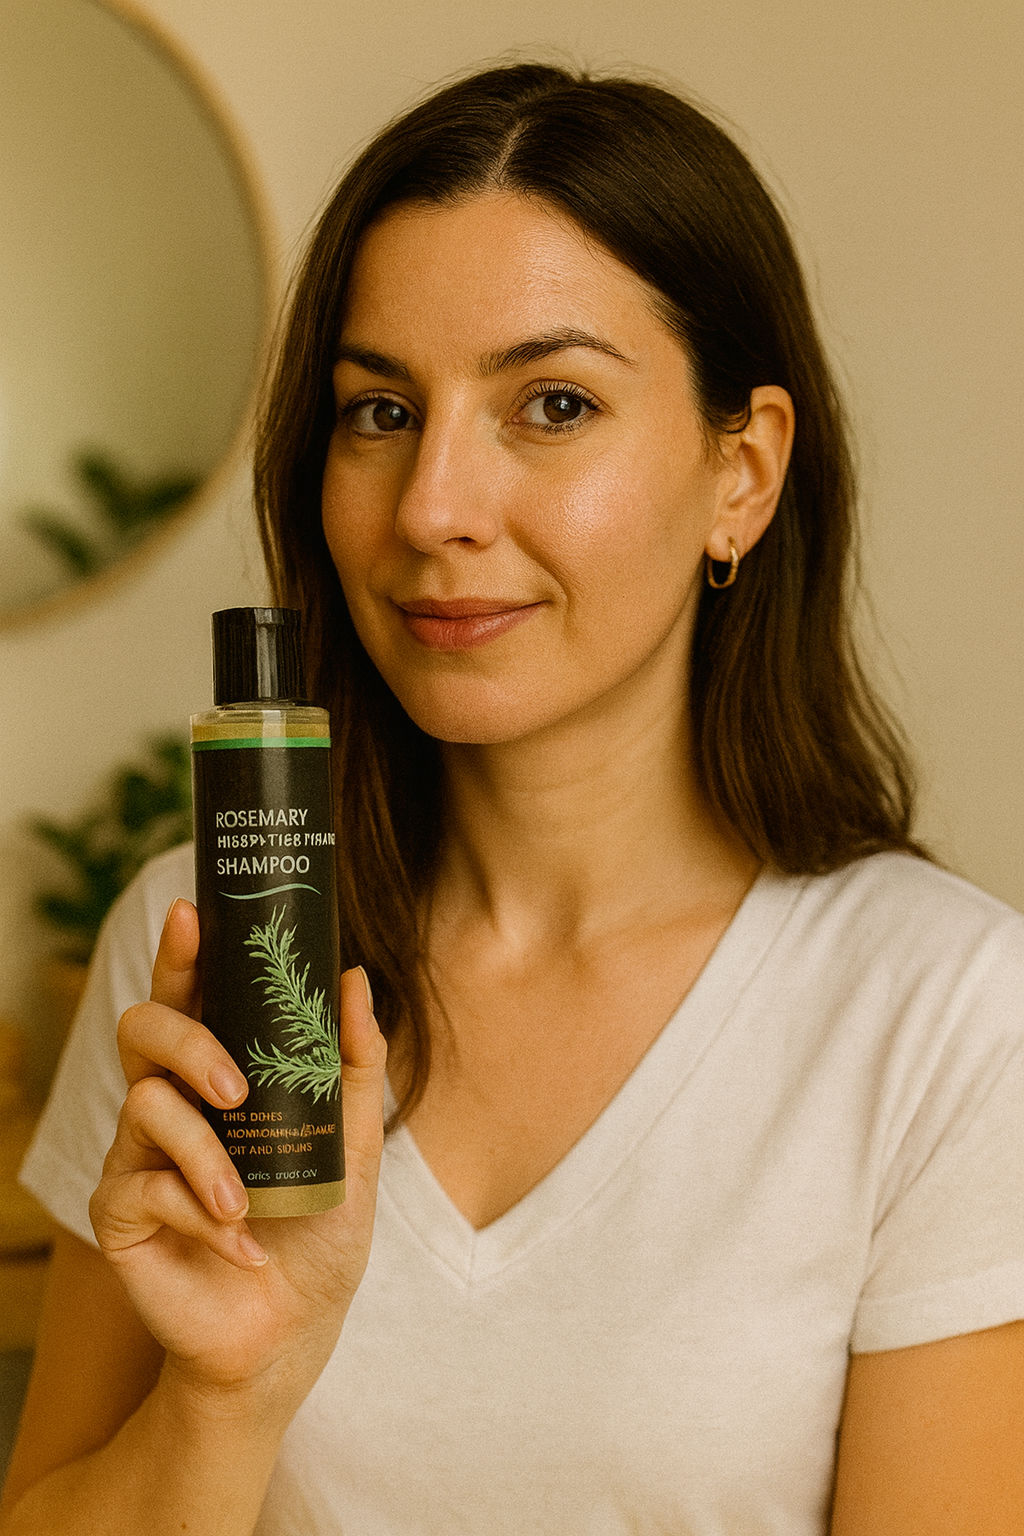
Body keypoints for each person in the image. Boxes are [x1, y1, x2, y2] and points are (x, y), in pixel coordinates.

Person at [3, 62, 1024, 1535]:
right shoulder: (203, 943)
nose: (430, 508)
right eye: (378, 411)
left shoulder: (942, 1017)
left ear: (742, 473)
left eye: (552, 403)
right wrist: (227, 1399)